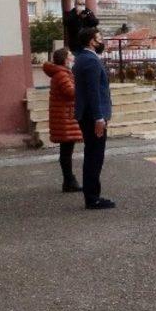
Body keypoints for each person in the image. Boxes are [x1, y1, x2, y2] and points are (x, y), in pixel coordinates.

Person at [72, 27, 114, 210]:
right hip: (92, 116)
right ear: (91, 41)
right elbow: (93, 92)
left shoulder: (82, 58)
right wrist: (99, 118)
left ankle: (92, 195)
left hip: (88, 115)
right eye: (99, 38)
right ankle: (93, 198)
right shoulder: (90, 60)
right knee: (94, 157)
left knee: (92, 155)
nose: (102, 40)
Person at [43, 48, 83, 193]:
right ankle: (69, 181)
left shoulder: (62, 73)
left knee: (66, 151)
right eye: (70, 55)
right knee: (66, 152)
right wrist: (84, 85)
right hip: (65, 118)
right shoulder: (62, 74)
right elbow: (70, 93)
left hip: (64, 117)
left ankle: (69, 181)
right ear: (65, 59)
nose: (73, 57)